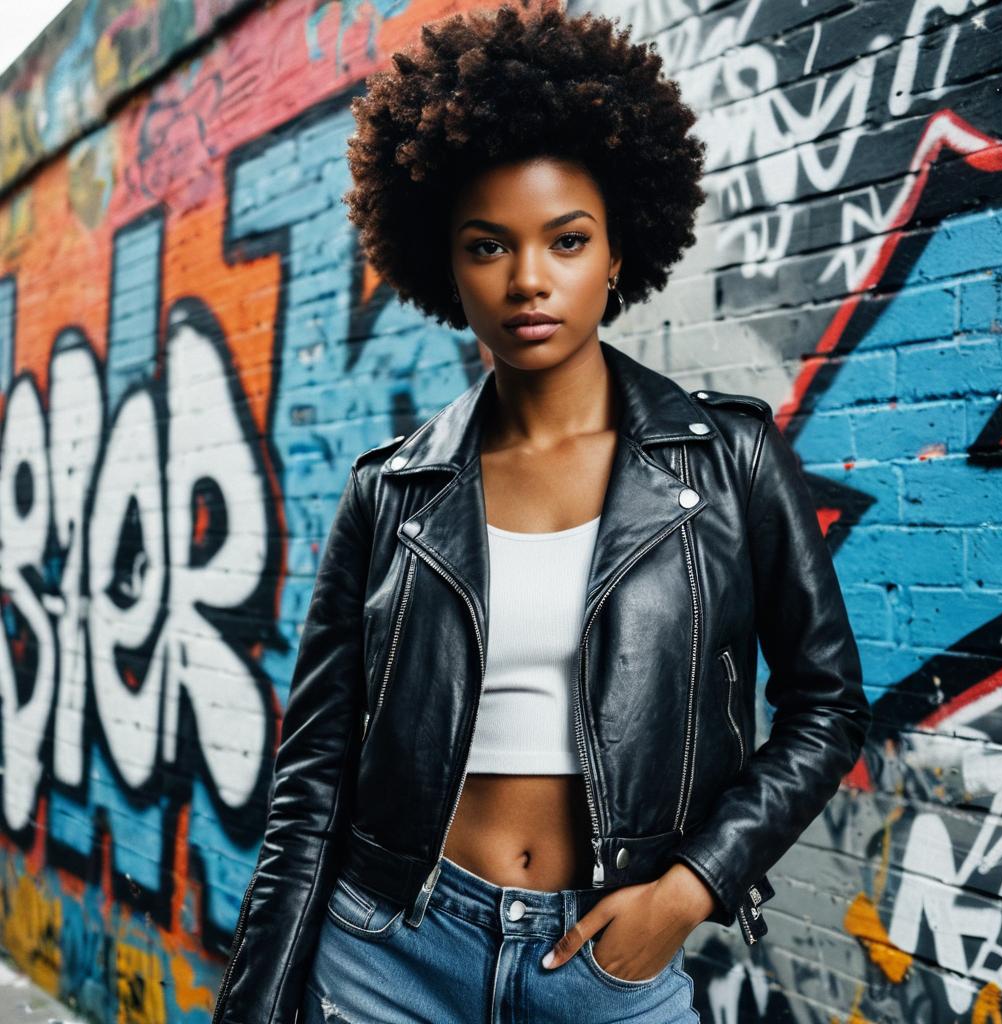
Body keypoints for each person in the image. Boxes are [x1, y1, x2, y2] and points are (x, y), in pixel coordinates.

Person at [211, 3, 872, 1022]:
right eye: (488, 247)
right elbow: (313, 774)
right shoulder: (392, 489)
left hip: (606, 961)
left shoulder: (728, 461)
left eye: (566, 241)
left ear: (617, 254)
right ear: (447, 267)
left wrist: (690, 889)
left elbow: (827, 707)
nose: (528, 280)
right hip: (390, 950)